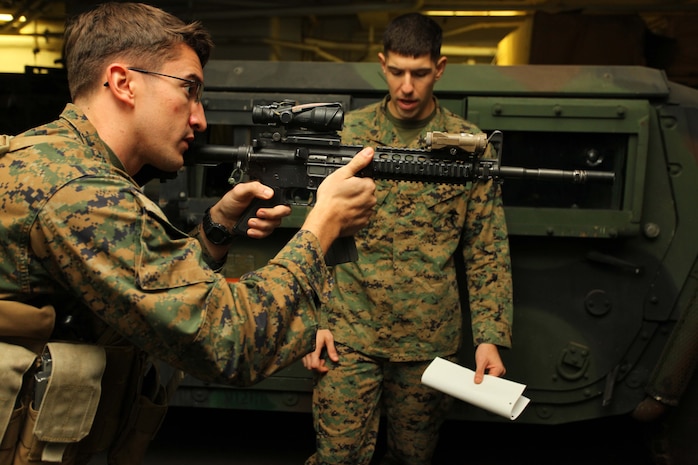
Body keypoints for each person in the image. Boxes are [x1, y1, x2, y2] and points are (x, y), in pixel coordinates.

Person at [0, 3, 376, 464]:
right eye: (189, 89)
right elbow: (232, 341)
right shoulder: (78, 190)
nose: (198, 118)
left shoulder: (57, 159)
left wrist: (217, 226)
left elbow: (150, 295)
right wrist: (323, 226)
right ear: (123, 83)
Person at [302, 12, 513, 465]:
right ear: (382, 64)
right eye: (397, 72)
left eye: (419, 73)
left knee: (413, 458)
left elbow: (486, 248)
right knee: (337, 458)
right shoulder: (347, 137)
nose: (407, 87)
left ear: (439, 68)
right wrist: (314, 320)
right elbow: (317, 234)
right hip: (348, 333)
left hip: (427, 339)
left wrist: (489, 337)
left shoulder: (468, 146)